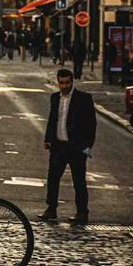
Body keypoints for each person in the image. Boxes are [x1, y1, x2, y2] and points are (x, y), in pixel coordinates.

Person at [40, 68, 96, 225]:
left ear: (72, 82)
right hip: (58, 146)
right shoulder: (55, 98)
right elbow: (52, 119)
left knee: (78, 181)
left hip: (76, 147)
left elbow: (91, 124)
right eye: (61, 83)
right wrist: (48, 139)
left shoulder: (83, 99)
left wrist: (86, 146)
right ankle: (51, 209)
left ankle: (82, 212)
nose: (64, 86)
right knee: (53, 178)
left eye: (67, 83)